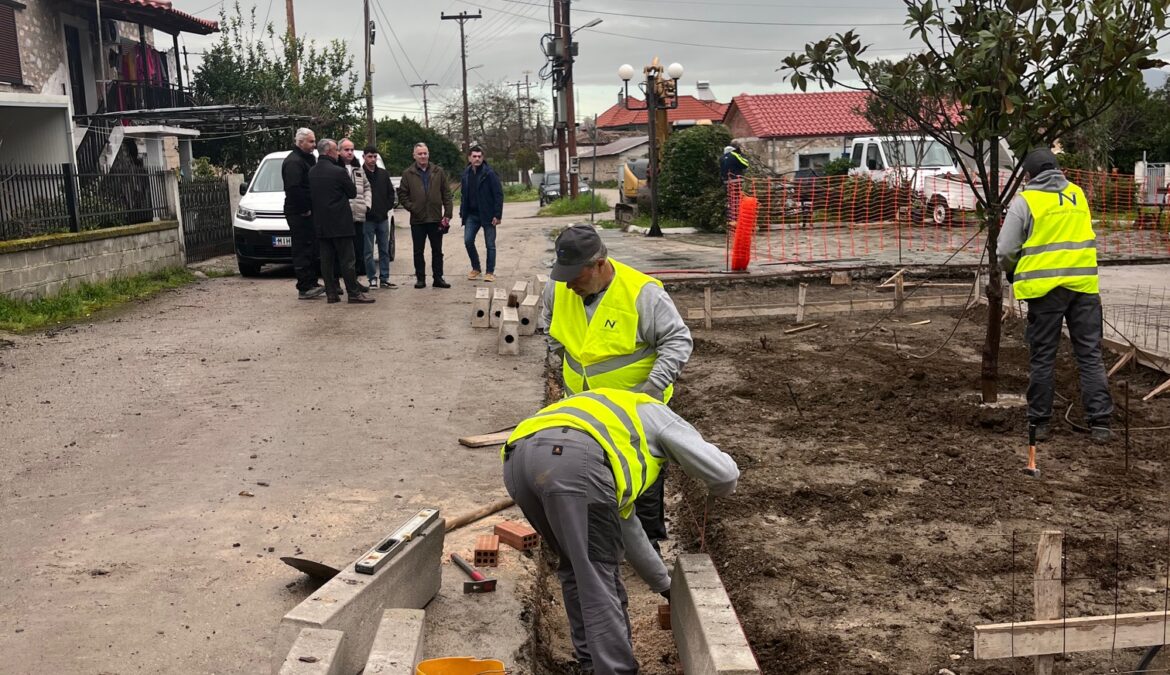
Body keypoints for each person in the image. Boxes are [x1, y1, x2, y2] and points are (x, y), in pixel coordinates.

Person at [501, 387, 739, 675]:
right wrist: (718, 490)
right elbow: (725, 474)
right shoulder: (657, 413)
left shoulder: (611, 416)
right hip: (573, 459)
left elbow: (631, 533)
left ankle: (591, 663)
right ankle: (615, 670)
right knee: (599, 574)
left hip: (518, 461)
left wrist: (666, 586)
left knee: (576, 568)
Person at [539, 223, 693, 552]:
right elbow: (549, 323)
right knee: (592, 477)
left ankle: (648, 548)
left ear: (598, 264)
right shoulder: (560, 287)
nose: (569, 284)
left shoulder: (643, 294)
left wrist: (651, 391)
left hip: (635, 413)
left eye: (575, 276)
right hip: (584, 409)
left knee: (643, 481)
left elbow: (677, 340)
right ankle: (603, 544)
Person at [998, 148, 1113, 443]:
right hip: (1084, 288)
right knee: (1089, 355)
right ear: (1059, 170)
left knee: (1043, 357)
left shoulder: (1026, 201)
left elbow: (1005, 250)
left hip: (1045, 291)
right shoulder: (1077, 195)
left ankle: (1039, 423)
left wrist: (1012, 272)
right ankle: (1100, 423)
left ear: (1028, 175)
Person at [308, 139, 374, 305]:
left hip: (321, 222)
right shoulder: (338, 171)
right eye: (336, 150)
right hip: (341, 222)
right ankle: (353, 293)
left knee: (327, 260)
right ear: (330, 152)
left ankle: (331, 293)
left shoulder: (312, 171)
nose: (338, 153)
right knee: (347, 259)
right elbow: (352, 192)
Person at [396, 142, 454, 289]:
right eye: (420, 154)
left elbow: (446, 194)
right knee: (418, 251)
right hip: (418, 219)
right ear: (414, 155)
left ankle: (438, 278)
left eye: (425, 153)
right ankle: (420, 279)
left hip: (435, 218)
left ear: (428, 154)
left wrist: (447, 214)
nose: (423, 156)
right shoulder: (407, 173)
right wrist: (412, 207)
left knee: (437, 251)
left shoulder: (438, 171)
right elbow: (402, 194)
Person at [282, 127, 324, 299]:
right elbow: (294, 188)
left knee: (311, 248)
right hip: (299, 212)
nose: (314, 144)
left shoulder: (308, 159)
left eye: (314, 141)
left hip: (309, 210)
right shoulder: (294, 162)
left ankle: (312, 282)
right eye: (311, 141)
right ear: (300, 142)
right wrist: (304, 209)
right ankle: (304, 287)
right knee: (302, 248)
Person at [460, 145, 504, 282]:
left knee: (490, 244)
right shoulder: (466, 174)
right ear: (469, 157)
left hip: (488, 215)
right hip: (471, 215)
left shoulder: (489, 173)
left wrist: (498, 215)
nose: (477, 159)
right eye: (474, 156)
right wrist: (463, 212)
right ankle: (476, 268)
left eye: (479, 156)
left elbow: (498, 195)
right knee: (468, 241)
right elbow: (463, 195)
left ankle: (490, 272)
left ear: (483, 157)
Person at [362, 145, 397, 289]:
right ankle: (371, 278)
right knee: (368, 251)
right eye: (369, 156)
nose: (372, 159)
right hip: (367, 219)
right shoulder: (359, 173)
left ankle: (384, 277)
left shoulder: (383, 174)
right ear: (364, 157)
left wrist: (386, 207)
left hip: (382, 218)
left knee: (384, 249)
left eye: (375, 156)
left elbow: (391, 193)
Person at [339, 139, 371, 290]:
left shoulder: (358, 168)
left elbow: (367, 187)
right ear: (339, 151)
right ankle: (338, 284)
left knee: (358, 252)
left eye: (352, 149)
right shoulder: (336, 167)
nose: (350, 152)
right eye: (346, 149)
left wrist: (367, 204)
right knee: (343, 254)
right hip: (342, 218)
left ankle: (355, 282)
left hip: (358, 216)